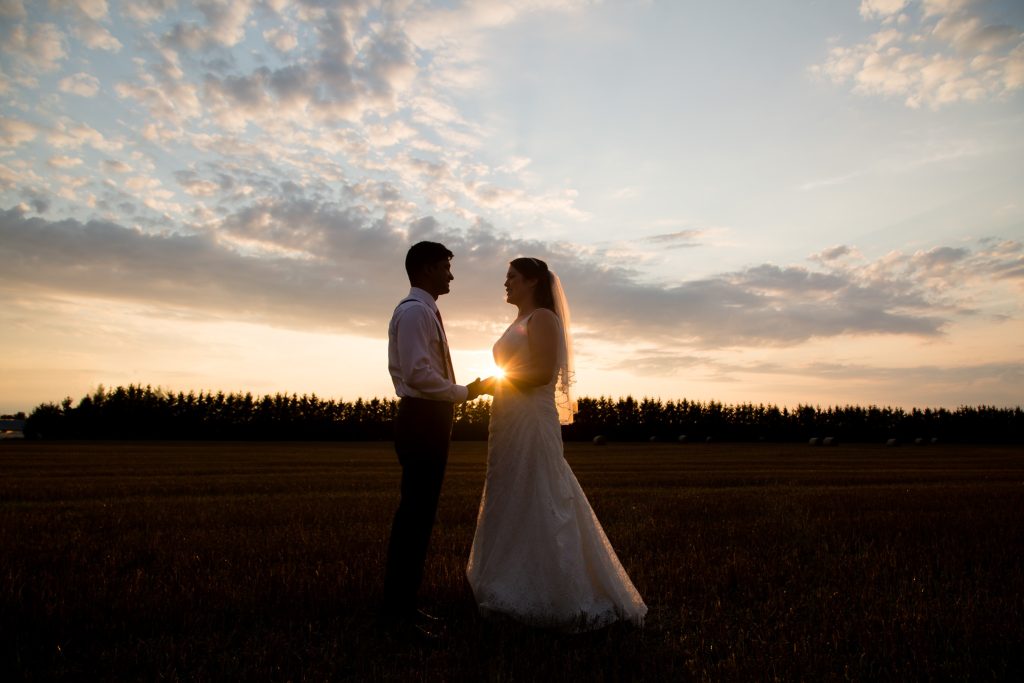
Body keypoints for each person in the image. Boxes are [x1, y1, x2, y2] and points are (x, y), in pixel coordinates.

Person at [466, 257, 647, 631]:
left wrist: (490, 383)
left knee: (540, 489)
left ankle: (556, 590)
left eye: (512, 277)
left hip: (531, 417)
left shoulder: (544, 318)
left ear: (533, 281)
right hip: (508, 418)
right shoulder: (519, 321)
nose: (506, 283)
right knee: (510, 491)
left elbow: (543, 372)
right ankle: (505, 576)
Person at [383, 241, 490, 641]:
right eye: (446, 266)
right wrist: (467, 392)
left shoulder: (425, 310)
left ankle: (403, 608)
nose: (450, 274)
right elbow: (418, 374)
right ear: (427, 269)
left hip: (432, 418)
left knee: (419, 517)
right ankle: (397, 613)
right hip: (422, 419)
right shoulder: (415, 313)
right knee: (414, 517)